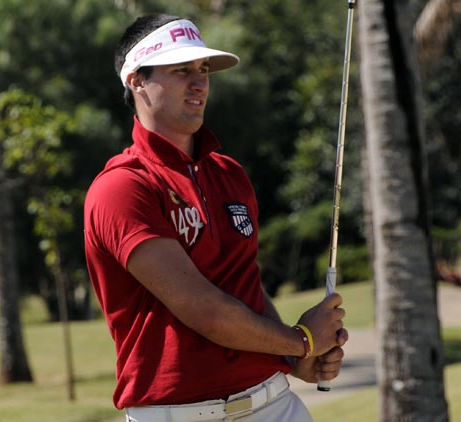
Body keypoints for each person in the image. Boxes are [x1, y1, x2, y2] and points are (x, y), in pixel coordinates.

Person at [84, 13, 348, 422]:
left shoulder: (228, 173)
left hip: (275, 405)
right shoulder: (121, 187)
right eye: (181, 70)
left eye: (203, 69)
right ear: (136, 80)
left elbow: (246, 287)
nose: (200, 82)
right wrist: (301, 340)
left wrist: (294, 357)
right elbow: (203, 308)